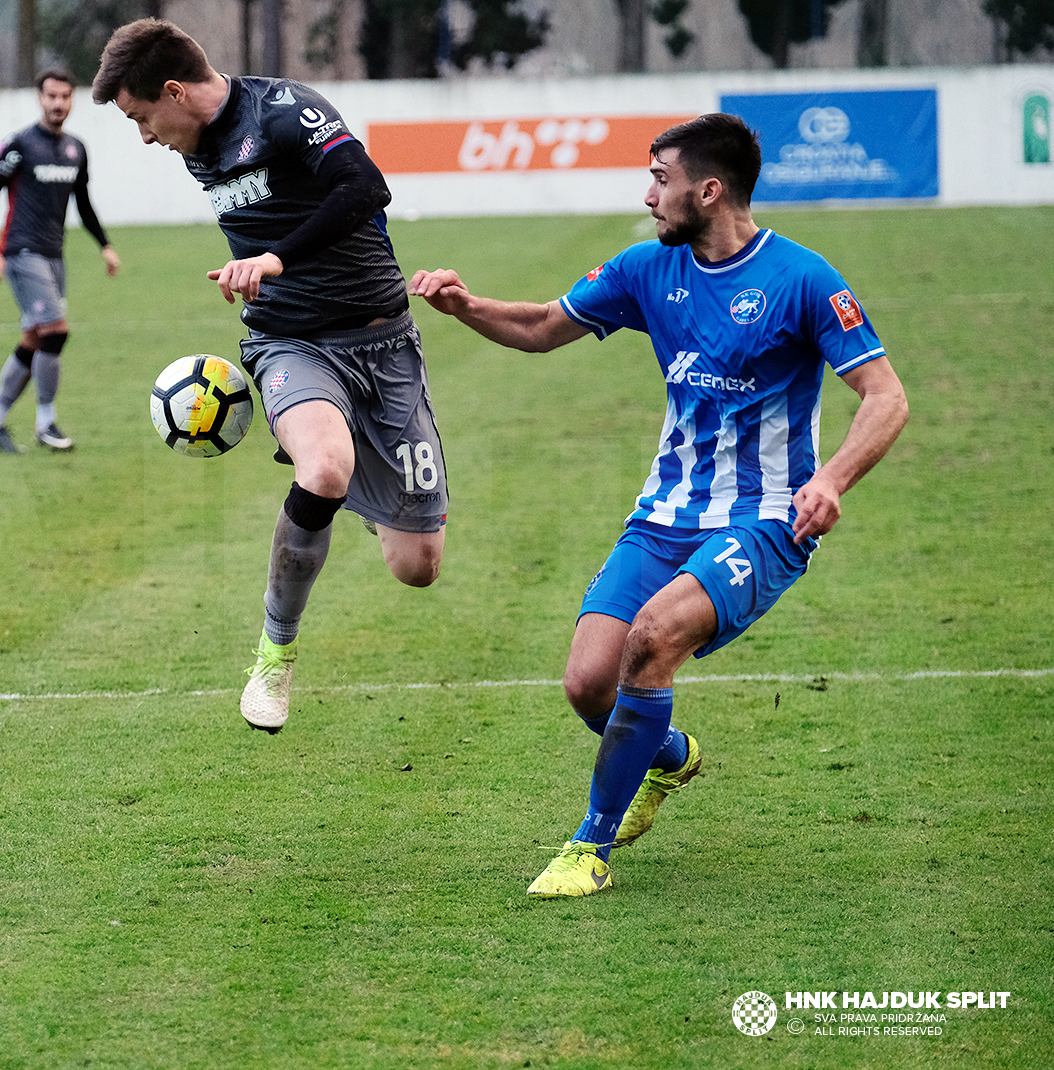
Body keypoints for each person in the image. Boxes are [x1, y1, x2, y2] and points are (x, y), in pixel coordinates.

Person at [410, 113, 908, 897]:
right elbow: (543, 327)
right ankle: (670, 756)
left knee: (654, 638)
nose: (648, 196)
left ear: (709, 191)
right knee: (587, 684)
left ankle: (588, 847)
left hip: (768, 517)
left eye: (661, 179)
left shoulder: (805, 279)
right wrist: (466, 307)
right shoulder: (648, 269)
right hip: (664, 513)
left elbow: (885, 396)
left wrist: (832, 479)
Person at [93, 19, 448, 733]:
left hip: (385, 344)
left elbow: (364, 187)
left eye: (141, 118)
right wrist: (272, 272)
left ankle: (350, 478)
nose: (144, 136)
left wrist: (276, 256)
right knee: (322, 469)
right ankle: (273, 656)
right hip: (290, 343)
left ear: (173, 91)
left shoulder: (285, 114)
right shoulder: (194, 147)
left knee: (417, 566)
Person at [0, 69, 121, 453]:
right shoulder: (19, 144)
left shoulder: (76, 148)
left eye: (65, 97)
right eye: (51, 96)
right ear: (39, 99)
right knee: (56, 331)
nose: (58, 103)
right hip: (22, 253)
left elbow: (84, 203)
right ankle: (46, 424)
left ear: (72, 100)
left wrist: (104, 245)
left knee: (35, 338)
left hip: (55, 256)